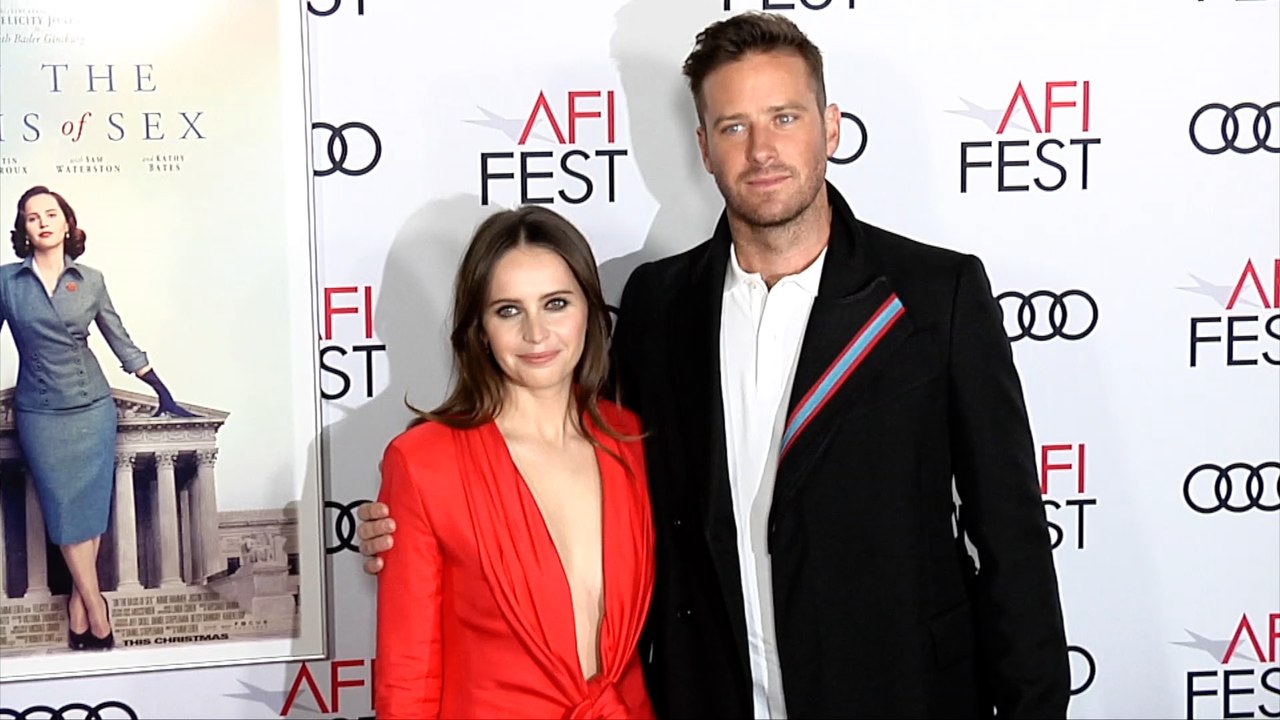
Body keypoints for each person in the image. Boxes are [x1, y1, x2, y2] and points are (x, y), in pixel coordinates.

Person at [358, 12, 1069, 718]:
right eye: (734, 126)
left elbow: (1010, 534)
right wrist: (406, 525)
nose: (762, 150)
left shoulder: (934, 294)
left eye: (784, 117)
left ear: (832, 126)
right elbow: (563, 455)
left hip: (903, 693)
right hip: (710, 697)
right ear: (703, 146)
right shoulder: (661, 303)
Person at [373, 206, 655, 719]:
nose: (536, 333)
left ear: (589, 312)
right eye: (508, 310)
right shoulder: (423, 463)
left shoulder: (629, 439)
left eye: (556, 304)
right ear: (479, 329)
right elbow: (407, 681)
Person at [0, 185, 193, 652]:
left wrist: (161, 390)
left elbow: (118, 337)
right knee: (65, 515)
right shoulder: (6, 281)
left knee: (88, 515)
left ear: (68, 223)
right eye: (32, 217)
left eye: (51, 214)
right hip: (40, 411)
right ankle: (97, 605)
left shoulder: (91, 279)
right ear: (23, 230)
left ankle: (79, 610)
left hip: (92, 408)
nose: (43, 222)